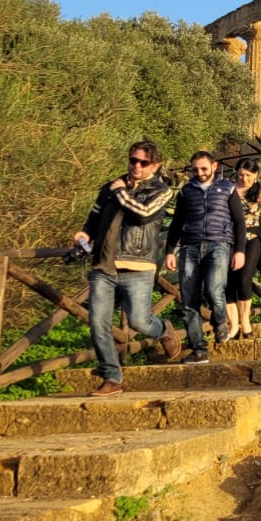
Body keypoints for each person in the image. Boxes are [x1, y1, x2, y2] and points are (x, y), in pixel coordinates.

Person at [71, 141, 183, 396]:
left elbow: (143, 214)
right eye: (133, 160)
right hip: (104, 265)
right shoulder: (110, 187)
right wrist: (85, 233)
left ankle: (163, 329)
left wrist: (121, 192)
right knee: (97, 322)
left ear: (155, 165)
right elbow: (94, 217)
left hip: (138, 266)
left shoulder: (161, 190)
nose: (136, 166)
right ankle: (112, 376)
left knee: (138, 321)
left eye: (143, 162)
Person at [164, 152, 246, 363]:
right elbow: (176, 222)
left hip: (218, 244)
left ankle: (220, 322)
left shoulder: (227, 188)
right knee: (188, 299)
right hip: (190, 246)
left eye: (204, 168)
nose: (199, 173)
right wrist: (169, 251)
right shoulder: (186, 191)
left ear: (214, 166)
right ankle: (199, 349)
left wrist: (240, 250)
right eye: (195, 169)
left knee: (213, 289)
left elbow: (239, 221)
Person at [226, 158, 261, 340]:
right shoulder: (229, 190)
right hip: (230, 239)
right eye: (240, 174)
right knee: (227, 280)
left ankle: (245, 320)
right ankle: (233, 324)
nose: (244, 178)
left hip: (252, 238)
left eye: (248, 175)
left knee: (244, 277)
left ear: (256, 175)